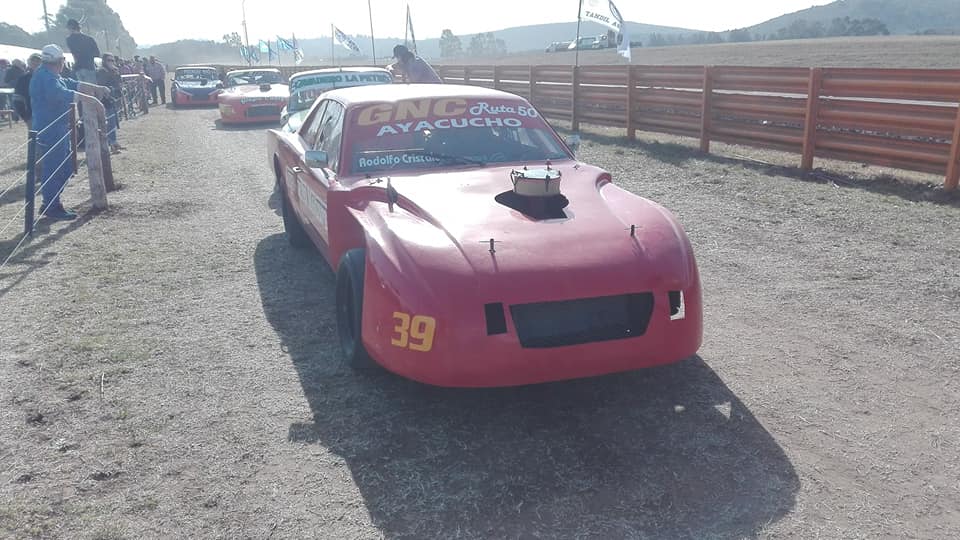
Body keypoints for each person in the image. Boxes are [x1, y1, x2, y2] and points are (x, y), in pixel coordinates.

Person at [30, 44, 110, 221]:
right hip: (50, 129)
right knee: (55, 167)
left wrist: (95, 88)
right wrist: (91, 99)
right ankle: (51, 205)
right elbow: (60, 93)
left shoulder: (50, 75)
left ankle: (51, 202)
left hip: (59, 127)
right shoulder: (45, 77)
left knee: (65, 167)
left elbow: (70, 83)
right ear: (59, 61)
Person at [97, 53, 123, 153]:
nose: (111, 62)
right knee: (108, 123)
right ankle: (111, 145)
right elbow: (102, 85)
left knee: (113, 122)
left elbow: (118, 83)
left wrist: (116, 73)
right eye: (109, 60)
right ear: (104, 61)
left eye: (112, 60)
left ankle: (114, 142)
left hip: (112, 99)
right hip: (104, 101)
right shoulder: (102, 71)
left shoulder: (114, 71)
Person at [65, 18, 101, 84]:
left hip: (78, 68)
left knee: (81, 88)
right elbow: (97, 53)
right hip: (89, 67)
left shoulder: (69, 40)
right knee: (91, 88)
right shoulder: (89, 39)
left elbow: (74, 53)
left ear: (71, 28)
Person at [13, 54, 42, 130]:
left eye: (38, 61)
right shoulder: (23, 79)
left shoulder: (49, 77)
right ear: (29, 63)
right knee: (34, 136)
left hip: (50, 116)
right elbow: (17, 99)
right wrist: (25, 117)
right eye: (33, 61)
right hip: (32, 116)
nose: (36, 63)